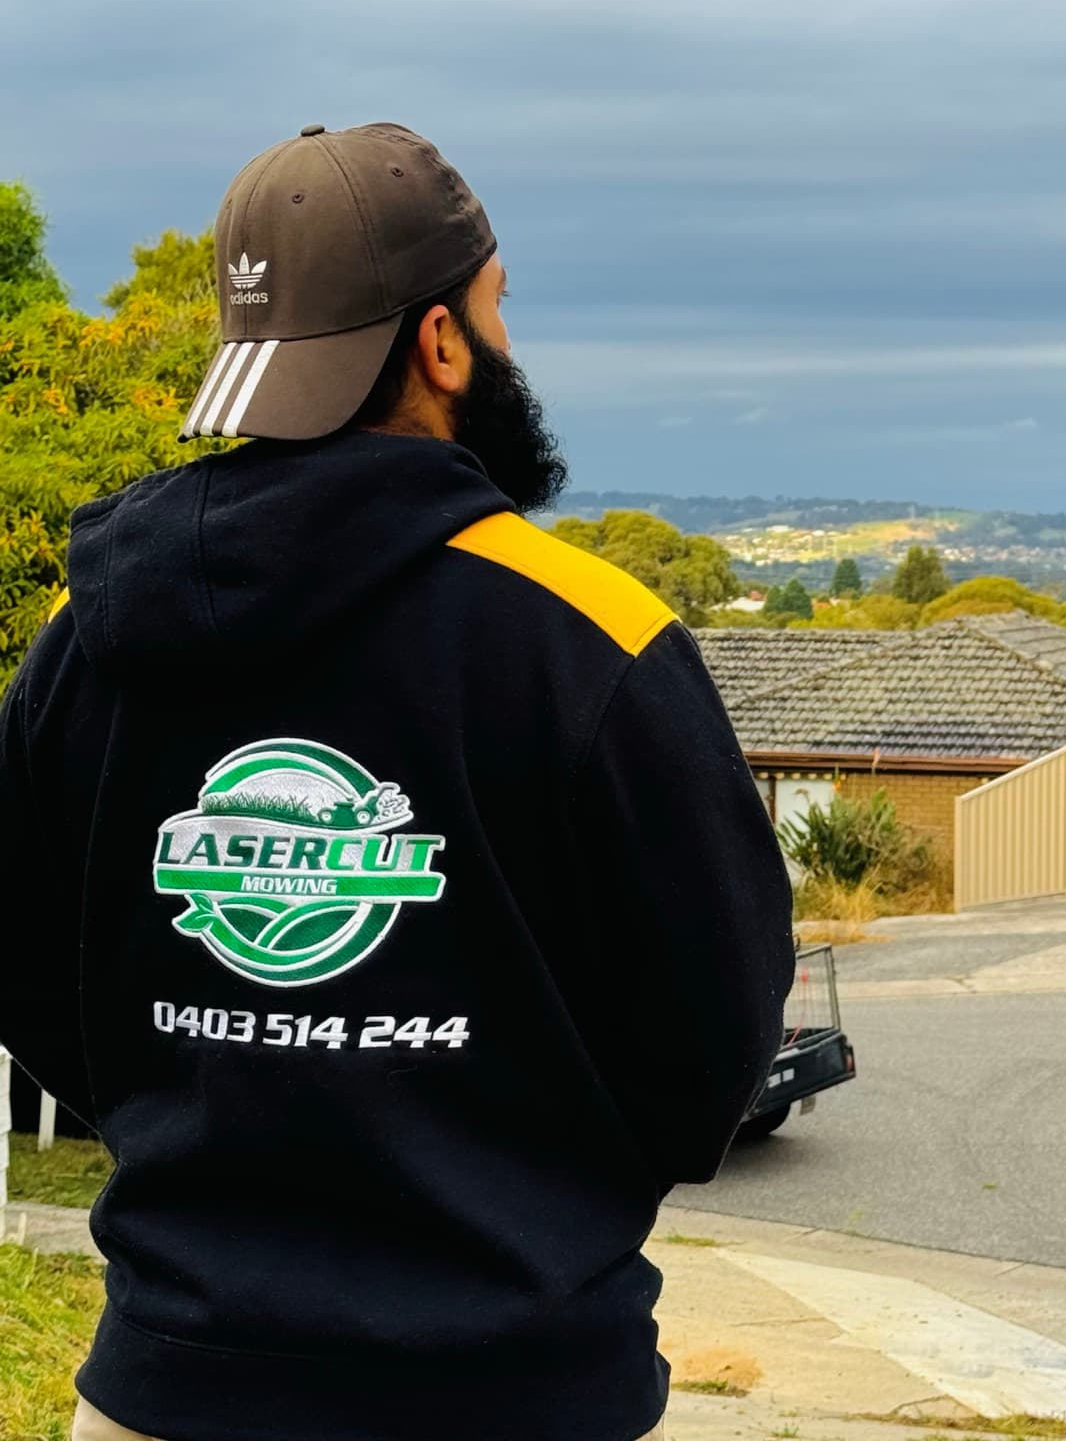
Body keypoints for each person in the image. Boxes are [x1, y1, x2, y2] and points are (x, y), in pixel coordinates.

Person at [0, 122, 796, 1441]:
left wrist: (201, 1099)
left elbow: (31, 976)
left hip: (171, 1388)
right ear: (439, 342)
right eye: (494, 310)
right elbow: (713, 1033)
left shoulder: (89, 639)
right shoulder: (586, 635)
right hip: (517, 1390)